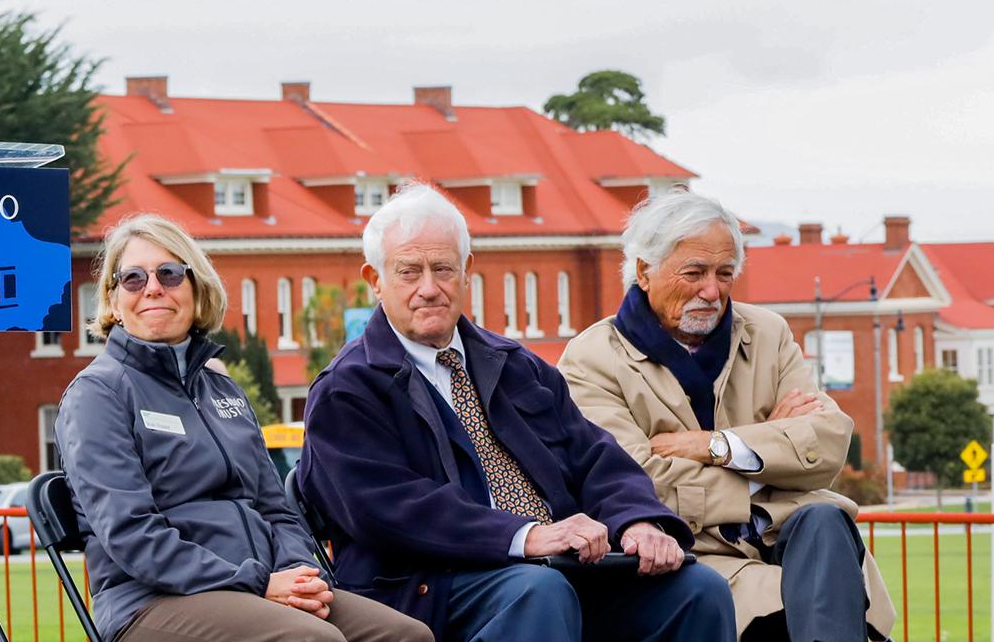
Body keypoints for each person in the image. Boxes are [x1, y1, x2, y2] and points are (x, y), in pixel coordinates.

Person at [296, 183, 736, 642]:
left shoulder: (515, 365)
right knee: (539, 591)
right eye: (409, 272)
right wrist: (523, 536)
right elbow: (389, 509)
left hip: (560, 567)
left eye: (443, 268)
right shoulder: (348, 389)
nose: (429, 288)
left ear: (466, 271)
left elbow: (594, 457)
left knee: (697, 589)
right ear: (374, 280)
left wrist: (637, 520)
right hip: (429, 586)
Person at [54, 214, 431, 642]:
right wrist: (256, 583)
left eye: (170, 274)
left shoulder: (221, 390)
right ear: (113, 301)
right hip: (150, 601)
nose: (153, 288)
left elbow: (276, 509)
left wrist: (292, 571)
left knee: (407, 635)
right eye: (133, 279)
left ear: (197, 290)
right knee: (311, 640)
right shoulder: (98, 394)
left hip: (259, 588)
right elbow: (132, 534)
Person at [560, 190, 894, 640]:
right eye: (694, 273)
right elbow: (634, 481)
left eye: (724, 273)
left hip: (797, 544)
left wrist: (716, 445)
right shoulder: (591, 359)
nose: (712, 291)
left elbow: (829, 440)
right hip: (698, 559)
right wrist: (766, 458)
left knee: (825, 521)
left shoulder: (767, 333)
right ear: (644, 271)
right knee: (804, 602)